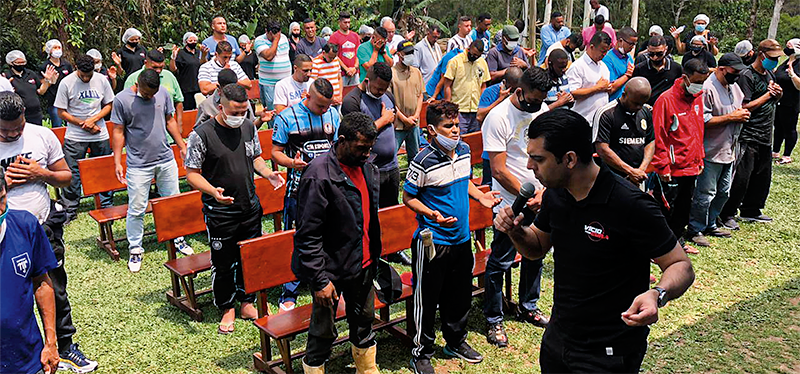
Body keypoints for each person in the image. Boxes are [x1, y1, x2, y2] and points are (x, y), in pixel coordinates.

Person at [494, 109, 695, 374]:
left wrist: (657, 294)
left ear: (569, 159)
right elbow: (537, 249)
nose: (530, 166)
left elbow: (681, 265)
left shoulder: (630, 204)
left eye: (537, 159)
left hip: (608, 353)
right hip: (558, 340)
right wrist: (516, 232)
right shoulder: (556, 194)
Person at [0, 92, 97, 373]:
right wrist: (6, 184)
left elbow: (66, 176)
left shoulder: (41, 136)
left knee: (53, 288)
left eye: (18, 128)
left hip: (41, 227)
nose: (13, 134)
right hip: (6, 233)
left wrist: (41, 174)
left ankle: (63, 346)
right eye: (5, 131)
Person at [404, 100, 501, 373]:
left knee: (459, 294)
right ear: (432, 131)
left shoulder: (465, 150)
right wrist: (431, 214)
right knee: (427, 298)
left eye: (457, 125)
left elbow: (465, 180)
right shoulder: (422, 161)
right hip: (433, 242)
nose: (456, 130)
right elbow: (408, 196)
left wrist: (480, 196)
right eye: (449, 126)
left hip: (460, 238)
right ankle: (421, 352)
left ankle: (455, 341)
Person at [185, 83, 284, 334]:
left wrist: (268, 174)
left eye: (244, 112)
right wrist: (212, 192)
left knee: (250, 256)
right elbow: (192, 174)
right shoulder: (202, 134)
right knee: (224, 260)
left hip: (249, 205)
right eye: (235, 112)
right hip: (220, 212)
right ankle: (227, 306)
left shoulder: (249, 126)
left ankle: (247, 302)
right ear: (221, 107)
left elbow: (255, 158)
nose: (240, 117)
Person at [292, 112, 381, 374]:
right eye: (362, 148)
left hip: (362, 263)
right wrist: (319, 280)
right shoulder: (318, 175)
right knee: (323, 332)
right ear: (342, 141)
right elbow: (307, 235)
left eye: (370, 148)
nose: (367, 153)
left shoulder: (366, 168)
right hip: (330, 271)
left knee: (364, 321)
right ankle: (314, 368)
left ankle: (366, 368)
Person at [482, 67, 553, 348]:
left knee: (535, 255)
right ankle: (493, 317)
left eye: (541, 101)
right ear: (519, 92)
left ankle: (528, 305)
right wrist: (530, 193)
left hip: (541, 197)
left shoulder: (542, 109)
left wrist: (544, 191)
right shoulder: (498, 118)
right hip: (511, 204)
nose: (537, 106)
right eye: (533, 100)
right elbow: (498, 170)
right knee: (500, 261)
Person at [112, 69, 192, 273]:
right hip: (139, 164)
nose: (150, 97)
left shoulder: (163, 94)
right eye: (147, 94)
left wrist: (181, 145)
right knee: (137, 208)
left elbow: (170, 120)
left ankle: (178, 240)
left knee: (173, 202)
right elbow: (118, 131)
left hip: (165, 159)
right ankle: (136, 249)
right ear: (137, 85)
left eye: (153, 94)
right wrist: (117, 160)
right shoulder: (122, 100)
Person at [272, 79, 340, 311]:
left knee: (330, 235)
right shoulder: (286, 118)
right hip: (298, 190)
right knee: (296, 238)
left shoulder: (334, 115)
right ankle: (289, 291)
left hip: (330, 188)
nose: (324, 111)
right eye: (320, 106)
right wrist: (292, 163)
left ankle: (328, 279)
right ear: (306, 96)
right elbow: (275, 153)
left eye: (327, 106)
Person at [0, 167, 61, 374]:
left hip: (27, 360)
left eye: (0, 199)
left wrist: (51, 342)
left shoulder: (26, 225)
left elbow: (42, 282)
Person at [719, 39, 784, 227]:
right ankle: (728, 213)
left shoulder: (769, 73)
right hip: (748, 134)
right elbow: (744, 106)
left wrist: (778, 94)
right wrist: (768, 96)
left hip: (765, 133)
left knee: (762, 177)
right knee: (741, 178)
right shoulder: (747, 76)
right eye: (772, 57)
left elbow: (774, 99)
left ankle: (752, 210)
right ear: (761, 54)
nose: (775, 61)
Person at [686, 53, 749, 247]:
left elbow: (740, 109)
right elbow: (702, 120)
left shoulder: (734, 87)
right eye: (734, 71)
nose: (737, 75)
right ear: (722, 69)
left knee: (723, 192)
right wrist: (732, 118)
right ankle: (695, 228)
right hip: (711, 149)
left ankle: (710, 223)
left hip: (729, 148)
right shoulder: (707, 88)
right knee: (705, 193)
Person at [652, 59, 710, 254]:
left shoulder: (698, 97)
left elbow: (698, 129)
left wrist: (700, 157)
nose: (700, 86)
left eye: (703, 81)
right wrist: (662, 166)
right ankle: (660, 248)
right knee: (666, 209)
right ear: (685, 78)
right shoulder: (666, 100)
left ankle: (678, 243)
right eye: (697, 81)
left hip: (691, 166)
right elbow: (659, 135)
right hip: (671, 168)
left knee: (684, 209)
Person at [54, 54, 115, 222]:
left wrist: (93, 121)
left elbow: (109, 104)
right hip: (75, 135)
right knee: (72, 171)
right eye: (83, 75)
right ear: (76, 69)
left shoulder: (102, 80)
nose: (86, 78)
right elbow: (61, 112)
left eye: (89, 75)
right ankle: (71, 208)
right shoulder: (66, 83)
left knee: (102, 167)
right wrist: (83, 124)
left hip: (99, 132)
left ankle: (106, 204)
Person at [593, 76, 654, 187]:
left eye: (642, 103)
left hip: (638, 178)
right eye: (635, 103)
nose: (639, 107)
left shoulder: (646, 111)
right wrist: (629, 171)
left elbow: (650, 142)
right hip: (612, 178)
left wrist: (640, 170)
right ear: (624, 95)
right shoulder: (607, 113)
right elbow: (602, 149)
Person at [477, 66, 526, 186]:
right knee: (491, 185)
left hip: (513, 148)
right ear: (504, 83)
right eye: (512, 89)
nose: (515, 93)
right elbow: (479, 116)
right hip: (493, 148)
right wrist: (500, 100)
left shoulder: (522, 93)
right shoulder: (490, 92)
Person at [124, 49, 185, 127]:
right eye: (154, 67)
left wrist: (179, 124)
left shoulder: (169, 76)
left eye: (161, 67)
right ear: (146, 63)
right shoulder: (133, 79)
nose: (158, 71)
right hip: (143, 129)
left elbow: (179, 101)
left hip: (168, 131)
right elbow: (126, 106)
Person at [443, 40, 490, 134]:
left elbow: (483, 85)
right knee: (460, 139)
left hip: (476, 110)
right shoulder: (455, 62)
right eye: (473, 54)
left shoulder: (482, 63)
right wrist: (448, 107)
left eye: (478, 56)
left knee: (474, 140)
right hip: (459, 110)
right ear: (469, 49)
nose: (475, 57)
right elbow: (447, 85)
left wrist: (482, 104)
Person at [565, 31, 612, 122]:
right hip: (583, 119)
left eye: (606, 51)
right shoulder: (578, 66)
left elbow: (605, 90)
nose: (604, 54)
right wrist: (597, 88)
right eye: (602, 51)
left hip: (600, 121)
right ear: (592, 47)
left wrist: (607, 88)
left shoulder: (604, 67)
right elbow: (573, 93)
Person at [196, 69, 267, 128]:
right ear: (218, 87)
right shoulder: (206, 106)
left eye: (242, 113)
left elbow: (251, 126)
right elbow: (197, 133)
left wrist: (260, 120)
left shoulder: (243, 102)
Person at [390, 40, 424, 160]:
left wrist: (415, 116)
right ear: (399, 55)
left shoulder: (416, 72)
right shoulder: (392, 73)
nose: (410, 56)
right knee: (392, 155)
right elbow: (390, 102)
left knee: (415, 157)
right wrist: (404, 119)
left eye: (411, 53)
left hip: (414, 123)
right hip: (398, 125)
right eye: (407, 53)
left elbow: (420, 95)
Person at [3, 50, 57, 125]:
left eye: (23, 62)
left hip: (36, 113)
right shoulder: (6, 76)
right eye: (18, 63)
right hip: (19, 114)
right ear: (11, 63)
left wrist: (47, 80)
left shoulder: (30, 73)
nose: (21, 64)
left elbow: (41, 91)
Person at [253, 19, 293, 111]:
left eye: (278, 32)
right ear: (266, 31)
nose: (276, 35)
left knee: (287, 109)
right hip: (269, 83)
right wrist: (275, 40)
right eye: (273, 33)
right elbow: (269, 56)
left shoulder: (284, 38)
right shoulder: (259, 40)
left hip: (285, 81)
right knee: (272, 111)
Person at [633, 35, 683, 106]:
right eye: (651, 54)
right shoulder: (640, 69)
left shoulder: (676, 69)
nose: (655, 57)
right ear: (647, 50)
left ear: (666, 49)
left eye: (659, 54)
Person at [773, 39, 800, 164]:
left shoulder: (798, 63)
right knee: (778, 127)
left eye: (789, 46)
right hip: (779, 100)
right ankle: (775, 151)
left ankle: (787, 155)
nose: (786, 48)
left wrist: (792, 74)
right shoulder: (785, 62)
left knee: (789, 128)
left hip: (792, 102)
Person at [40, 40, 73, 128]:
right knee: (57, 126)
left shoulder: (66, 64)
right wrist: (49, 80)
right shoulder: (45, 66)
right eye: (55, 48)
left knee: (71, 124)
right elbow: (41, 87)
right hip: (54, 102)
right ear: (49, 50)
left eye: (59, 47)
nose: (58, 50)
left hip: (68, 101)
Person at [169, 32, 206, 111]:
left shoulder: (199, 52)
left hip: (199, 87)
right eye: (190, 40)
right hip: (186, 88)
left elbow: (204, 64)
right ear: (185, 42)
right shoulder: (181, 53)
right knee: (188, 111)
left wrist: (204, 55)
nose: (193, 42)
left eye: (195, 40)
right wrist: (173, 57)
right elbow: (173, 69)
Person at [602, 26, 637, 101]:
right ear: (620, 41)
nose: (632, 47)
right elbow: (610, 88)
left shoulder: (629, 58)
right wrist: (627, 75)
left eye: (634, 44)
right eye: (630, 44)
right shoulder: (608, 59)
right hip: (613, 103)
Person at [329, 12, 361, 87]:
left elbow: (358, 53)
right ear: (339, 22)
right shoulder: (334, 37)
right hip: (341, 73)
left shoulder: (355, 36)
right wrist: (346, 69)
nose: (347, 25)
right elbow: (334, 56)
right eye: (345, 22)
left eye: (349, 22)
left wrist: (355, 68)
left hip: (354, 73)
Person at [310, 43, 344, 108]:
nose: (332, 59)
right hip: (325, 101)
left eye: (334, 57)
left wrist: (340, 95)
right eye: (330, 57)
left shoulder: (336, 60)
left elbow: (339, 78)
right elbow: (314, 82)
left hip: (337, 99)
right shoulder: (316, 63)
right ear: (323, 52)